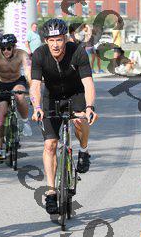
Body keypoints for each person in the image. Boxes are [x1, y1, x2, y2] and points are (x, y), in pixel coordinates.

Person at [29, 18, 99, 215]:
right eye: (51, 40)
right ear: (46, 41)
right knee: (50, 144)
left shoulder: (78, 52)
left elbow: (88, 83)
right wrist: (36, 107)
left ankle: (84, 150)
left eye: (59, 40)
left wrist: (89, 107)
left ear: (65, 39)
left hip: (75, 94)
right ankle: (51, 191)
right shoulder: (39, 54)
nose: (55, 45)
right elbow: (35, 86)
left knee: (79, 119)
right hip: (51, 97)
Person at [0, 34, 32, 162]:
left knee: (19, 95)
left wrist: (32, 88)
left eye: (8, 48)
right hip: (1, 84)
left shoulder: (22, 54)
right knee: (0, 117)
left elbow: (28, 73)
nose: (6, 51)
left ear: (14, 47)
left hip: (16, 81)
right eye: (3, 48)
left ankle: (25, 122)